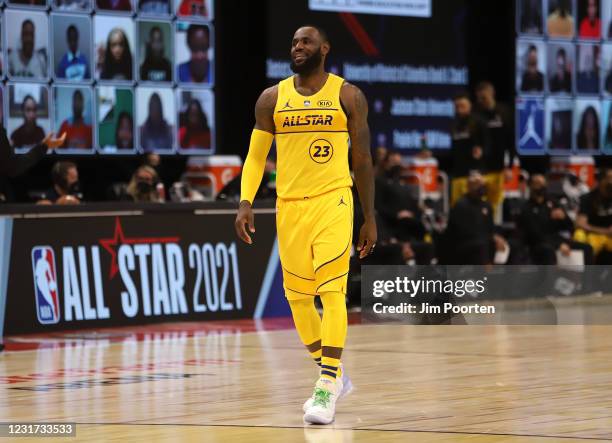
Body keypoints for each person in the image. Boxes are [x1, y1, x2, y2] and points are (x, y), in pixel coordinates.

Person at [234, 25, 376, 424]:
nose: (297, 47)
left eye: (306, 42)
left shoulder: (348, 95)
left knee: (332, 291)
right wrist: (245, 201)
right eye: (294, 42)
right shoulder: (271, 98)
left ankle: (327, 385)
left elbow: (362, 161)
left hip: (335, 200)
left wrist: (370, 217)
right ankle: (334, 372)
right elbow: (256, 158)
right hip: (289, 207)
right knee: (298, 299)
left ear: (324, 49)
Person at [519, 174, 593, 264]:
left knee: (587, 248)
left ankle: (588, 277)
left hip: (557, 239)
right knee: (548, 250)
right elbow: (534, 234)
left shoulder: (553, 203)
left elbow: (570, 226)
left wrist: (564, 217)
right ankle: (550, 278)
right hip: (537, 243)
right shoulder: (526, 207)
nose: (542, 186)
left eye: (543, 183)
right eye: (538, 183)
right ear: (530, 186)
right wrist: (558, 245)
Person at [443, 172, 507, 265]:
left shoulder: (487, 205)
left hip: (482, 240)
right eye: (477, 184)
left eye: (482, 184)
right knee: (481, 245)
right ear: (469, 186)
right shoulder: (461, 205)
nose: (481, 187)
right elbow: (459, 231)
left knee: (507, 245)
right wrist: (488, 237)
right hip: (464, 243)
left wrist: (497, 237)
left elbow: (491, 227)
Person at [475, 82, 514, 216]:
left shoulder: (504, 112)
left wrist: (509, 166)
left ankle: (494, 231)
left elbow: (511, 140)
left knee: (495, 206)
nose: (481, 101)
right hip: (482, 168)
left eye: (484, 98)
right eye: (479, 98)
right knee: (480, 204)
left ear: (492, 94)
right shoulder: (477, 114)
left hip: (498, 168)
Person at [449, 91, 488, 206]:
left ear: (470, 105)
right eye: (457, 107)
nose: (459, 109)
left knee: (477, 207)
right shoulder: (454, 124)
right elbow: (453, 151)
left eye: (462, 106)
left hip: (475, 175)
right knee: (457, 207)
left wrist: (482, 151)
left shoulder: (479, 122)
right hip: (458, 174)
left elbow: (488, 145)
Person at [574, 169, 612, 264]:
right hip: (592, 233)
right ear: (600, 181)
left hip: (609, 237)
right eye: (609, 178)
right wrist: (605, 231)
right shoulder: (588, 198)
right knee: (579, 235)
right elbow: (580, 223)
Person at [0, 126, 64, 179]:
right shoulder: (16, 133)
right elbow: (11, 167)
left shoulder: (40, 130)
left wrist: (44, 146)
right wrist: (44, 146)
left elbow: (10, 165)